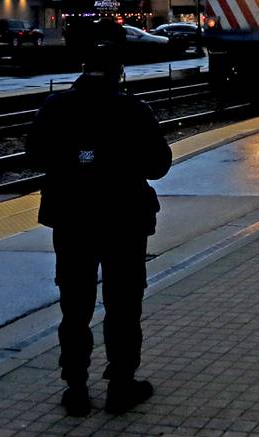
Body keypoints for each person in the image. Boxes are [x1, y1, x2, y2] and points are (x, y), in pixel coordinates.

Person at [26, 42, 172, 416]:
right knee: (123, 304)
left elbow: (34, 155)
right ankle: (121, 386)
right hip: (124, 221)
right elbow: (158, 165)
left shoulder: (56, 107)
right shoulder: (134, 110)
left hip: (72, 220)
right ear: (119, 71)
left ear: (83, 66)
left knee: (75, 307)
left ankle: (75, 389)